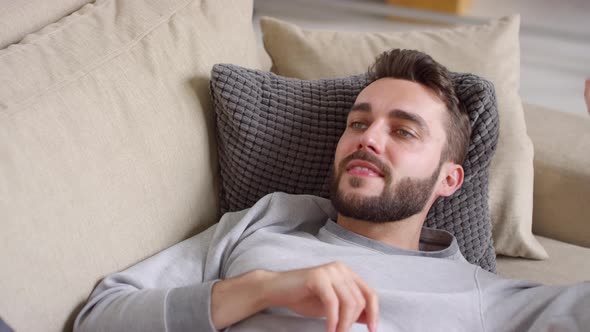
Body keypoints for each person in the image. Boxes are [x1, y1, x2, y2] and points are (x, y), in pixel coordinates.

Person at [74, 50, 589, 332]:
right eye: (357, 122)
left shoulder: (481, 299)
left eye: (404, 131)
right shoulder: (267, 219)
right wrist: (262, 289)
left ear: (449, 179)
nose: (367, 137)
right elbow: (101, 317)